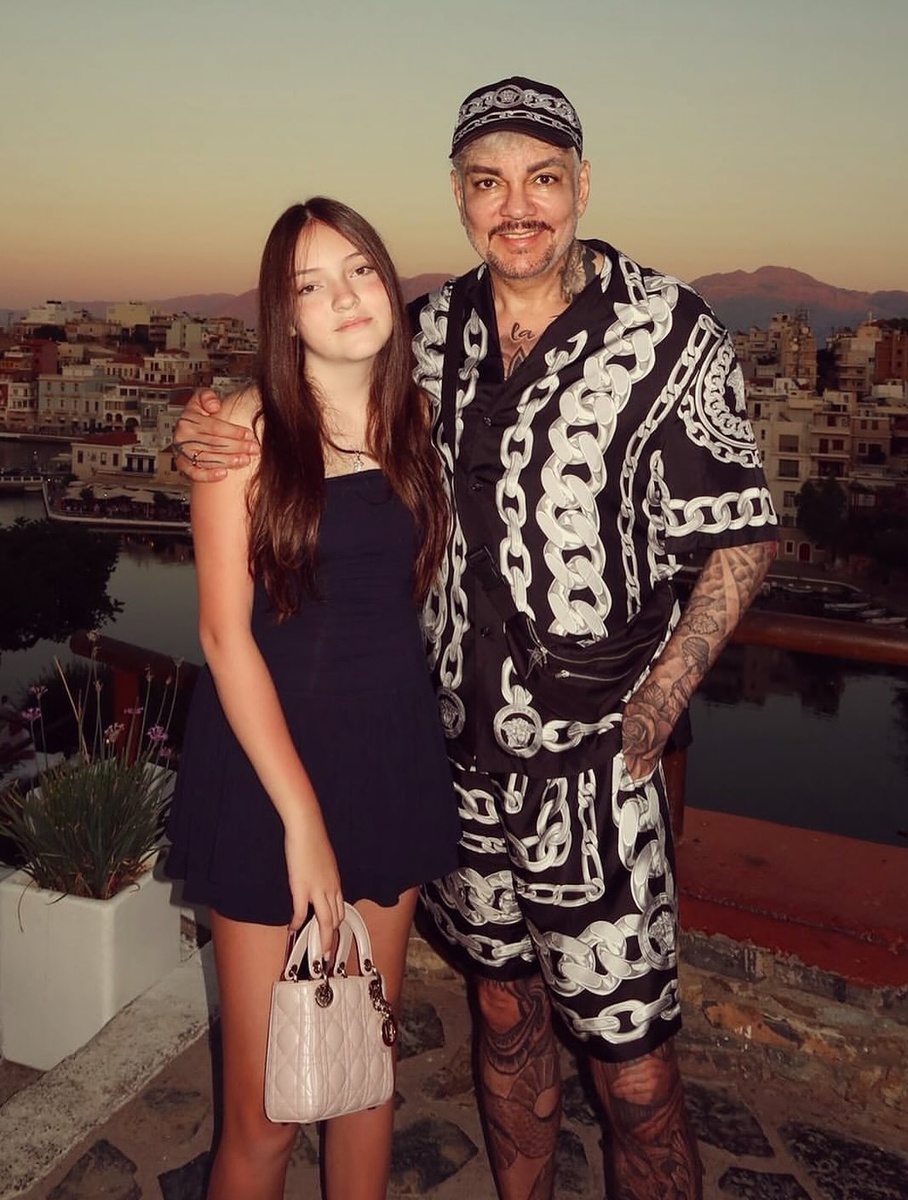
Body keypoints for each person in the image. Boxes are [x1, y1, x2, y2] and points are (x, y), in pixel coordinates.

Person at [172, 79, 778, 1200]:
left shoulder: (670, 328)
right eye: (488, 182)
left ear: (582, 184)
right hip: (451, 760)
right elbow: (300, 402)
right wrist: (207, 417)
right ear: (457, 197)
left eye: (542, 178)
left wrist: (655, 708)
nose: (517, 206)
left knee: (638, 1073)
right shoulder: (430, 335)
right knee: (500, 1020)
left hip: (596, 769)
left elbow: (739, 537)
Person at [165, 197, 460, 1200]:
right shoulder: (243, 436)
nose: (345, 297)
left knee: (362, 1072)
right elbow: (223, 635)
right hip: (268, 775)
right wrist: (301, 821)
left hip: (390, 757)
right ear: (283, 316)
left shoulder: (419, 416)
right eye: (311, 284)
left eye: (361, 270)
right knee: (266, 1116)